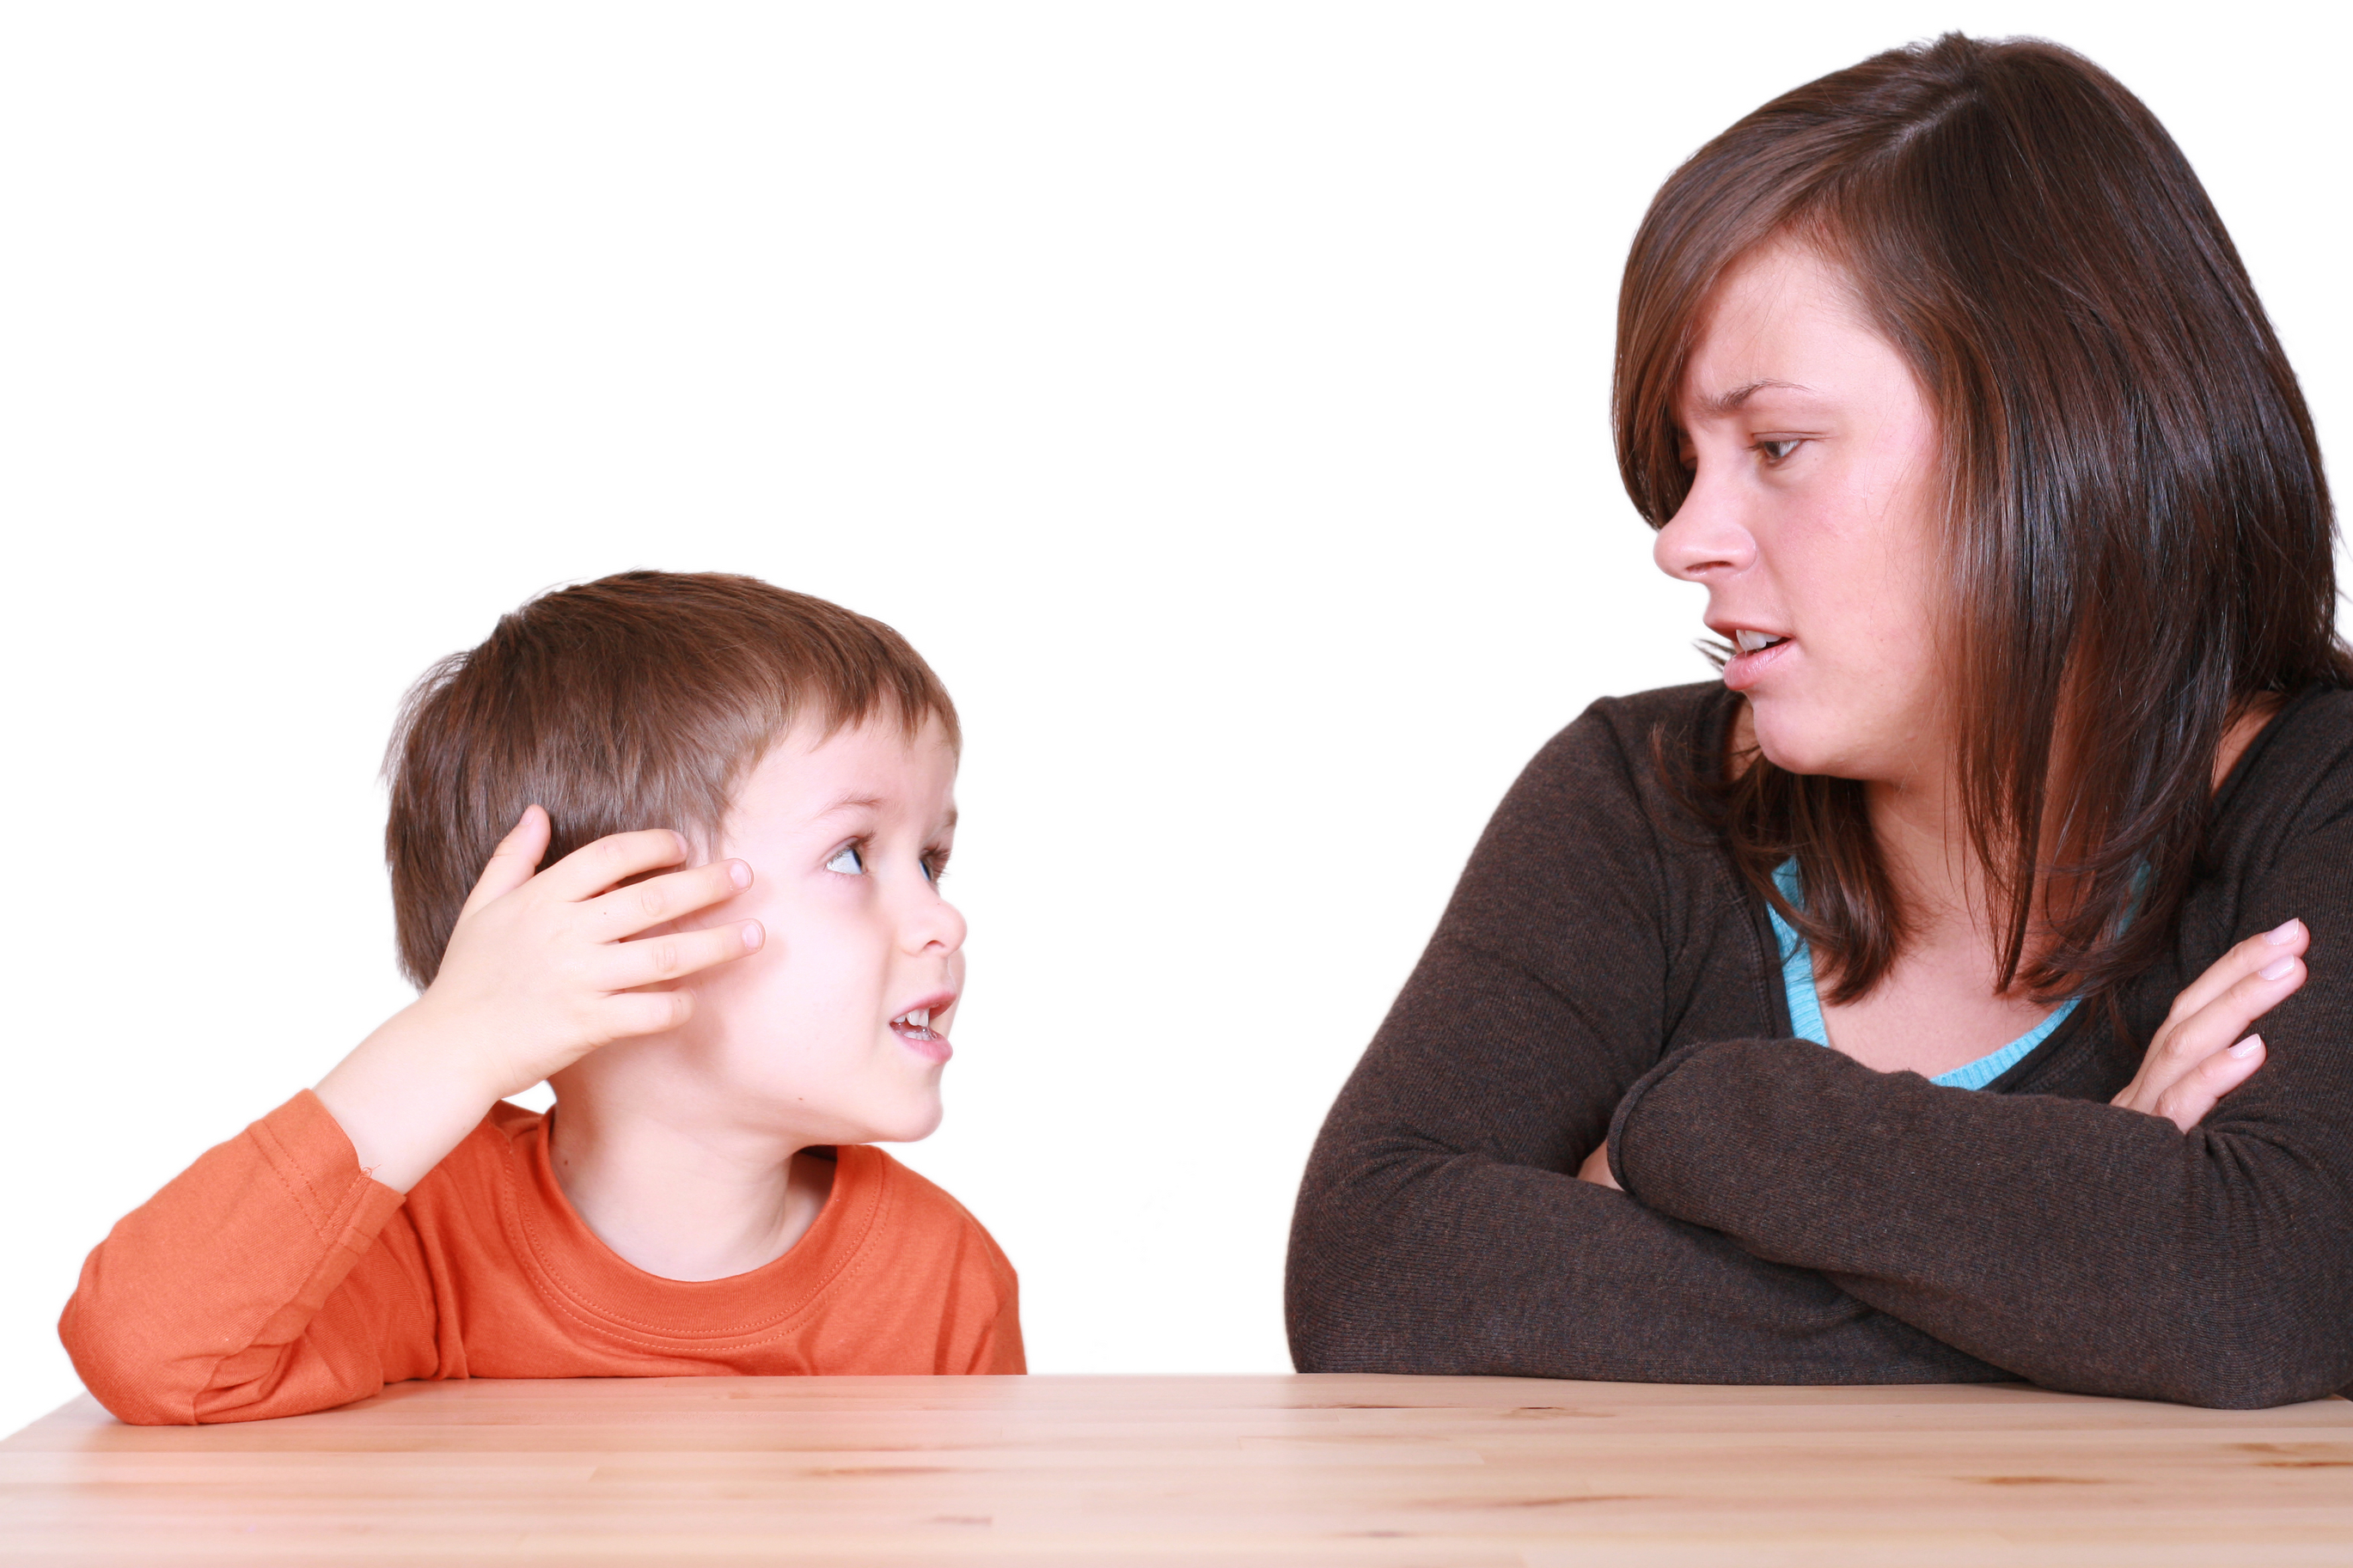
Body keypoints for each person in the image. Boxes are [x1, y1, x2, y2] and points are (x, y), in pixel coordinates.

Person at [1287, 34, 2353, 1408]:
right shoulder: (1633, 797)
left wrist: (1695, 1120)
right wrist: (2073, 1261)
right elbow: (1376, 1272)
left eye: (1775, 446)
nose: (1679, 539)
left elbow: (2272, 1293)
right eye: (1681, 464)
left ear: (2055, 431)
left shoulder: (2323, 801)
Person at [62, 570, 1022, 1425]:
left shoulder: (941, 1280)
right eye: (853, 853)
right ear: (609, 920)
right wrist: (455, 1037)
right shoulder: (429, 1241)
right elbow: (149, 1352)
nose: (944, 919)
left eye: (932, 858)